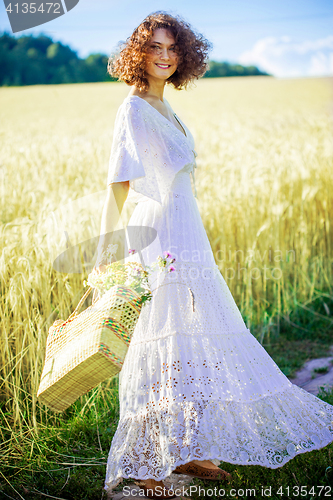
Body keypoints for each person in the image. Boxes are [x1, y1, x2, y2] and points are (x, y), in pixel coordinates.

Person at [92, 11, 333, 500]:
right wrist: (104, 255)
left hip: (186, 233)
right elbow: (117, 187)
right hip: (159, 239)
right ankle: (147, 465)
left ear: (184, 56)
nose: (163, 56)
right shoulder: (133, 109)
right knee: (160, 346)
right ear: (139, 53)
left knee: (190, 340)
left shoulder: (168, 109)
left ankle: (184, 450)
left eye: (172, 48)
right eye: (154, 47)